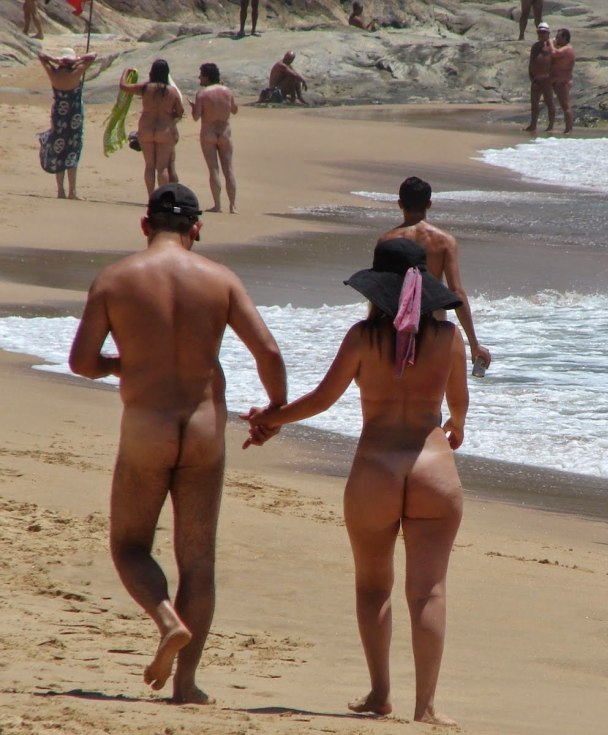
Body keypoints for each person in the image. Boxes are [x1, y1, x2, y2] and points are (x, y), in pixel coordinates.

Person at [67, 183, 287, 704]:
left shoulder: (115, 279)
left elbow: (81, 362)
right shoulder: (220, 279)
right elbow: (270, 352)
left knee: (129, 547)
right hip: (204, 428)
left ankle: (166, 620)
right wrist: (273, 412)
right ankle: (186, 686)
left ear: (145, 225)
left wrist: (121, 364)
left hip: (146, 427)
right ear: (197, 229)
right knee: (198, 561)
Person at [243, 238, 468, 726]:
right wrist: (456, 426)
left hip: (376, 469)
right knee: (428, 591)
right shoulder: (449, 339)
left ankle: (379, 693)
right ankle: (426, 707)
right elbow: (459, 405)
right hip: (433, 468)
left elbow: (323, 400)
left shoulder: (363, 337)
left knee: (374, 587)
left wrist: (272, 420)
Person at [377, 177, 492, 372]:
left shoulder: (386, 241)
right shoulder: (445, 242)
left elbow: (379, 292)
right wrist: (474, 344)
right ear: (429, 204)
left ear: (400, 204)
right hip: (434, 324)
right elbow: (456, 292)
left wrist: (372, 334)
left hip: (394, 326)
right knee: (430, 394)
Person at [38, 48, 97, 199]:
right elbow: (93, 56)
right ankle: (72, 191)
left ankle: (60, 191)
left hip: (59, 114)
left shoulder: (54, 73)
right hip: (74, 115)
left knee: (59, 149)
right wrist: (77, 59)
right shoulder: (75, 73)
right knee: (72, 150)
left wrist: (55, 59)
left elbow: (41, 55)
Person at [119, 59, 184, 198]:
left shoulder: (145, 87)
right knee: (162, 168)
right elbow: (180, 112)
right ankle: (164, 198)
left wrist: (125, 71)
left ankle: (151, 197)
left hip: (146, 128)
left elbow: (124, 86)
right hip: (164, 129)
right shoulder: (171, 91)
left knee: (149, 166)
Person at [190, 63, 238, 214]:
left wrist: (193, 107)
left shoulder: (202, 94)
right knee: (228, 169)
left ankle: (218, 205)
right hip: (224, 132)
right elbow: (235, 110)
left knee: (214, 169)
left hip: (208, 133)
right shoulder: (227, 91)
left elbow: (196, 117)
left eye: (201, 75)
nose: (199, 77)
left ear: (207, 76)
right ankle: (233, 206)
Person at [524, 22, 555, 133]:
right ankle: (533, 125)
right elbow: (532, 61)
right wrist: (531, 75)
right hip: (536, 78)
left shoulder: (552, 45)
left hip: (547, 79)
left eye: (543, 32)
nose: (541, 34)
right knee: (534, 103)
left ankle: (551, 126)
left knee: (549, 101)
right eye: (539, 32)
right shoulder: (535, 46)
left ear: (548, 33)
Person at [550, 28, 575, 134]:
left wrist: (551, 42)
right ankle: (566, 128)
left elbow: (554, 53)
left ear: (565, 38)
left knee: (565, 105)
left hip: (563, 81)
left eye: (558, 37)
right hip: (558, 80)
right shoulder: (563, 48)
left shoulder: (567, 49)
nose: (556, 39)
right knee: (562, 104)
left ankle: (569, 129)